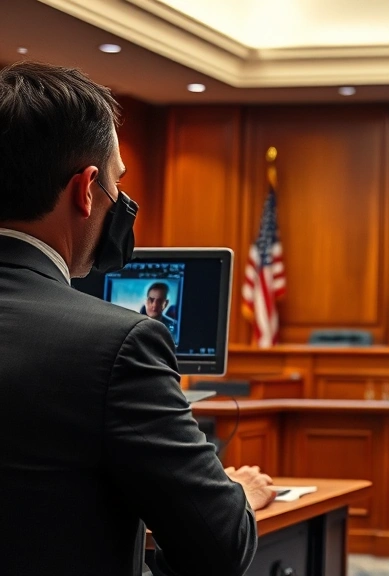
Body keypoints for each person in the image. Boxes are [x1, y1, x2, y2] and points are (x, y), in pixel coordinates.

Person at [0, 62, 274, 576]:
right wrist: (237, 495)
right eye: (116, 184)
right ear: (86, 190)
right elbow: (218, 549)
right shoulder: (119, 345)